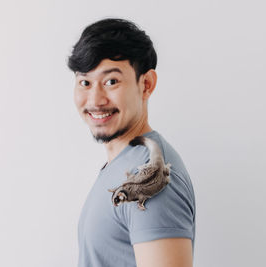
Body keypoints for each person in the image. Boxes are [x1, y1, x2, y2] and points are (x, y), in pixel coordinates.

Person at [67, 18, 196, 267]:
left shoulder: (152, 179)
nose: (95, 99)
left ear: (146, 84)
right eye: (85, 82)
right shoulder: (125, 164)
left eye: (111, 81)